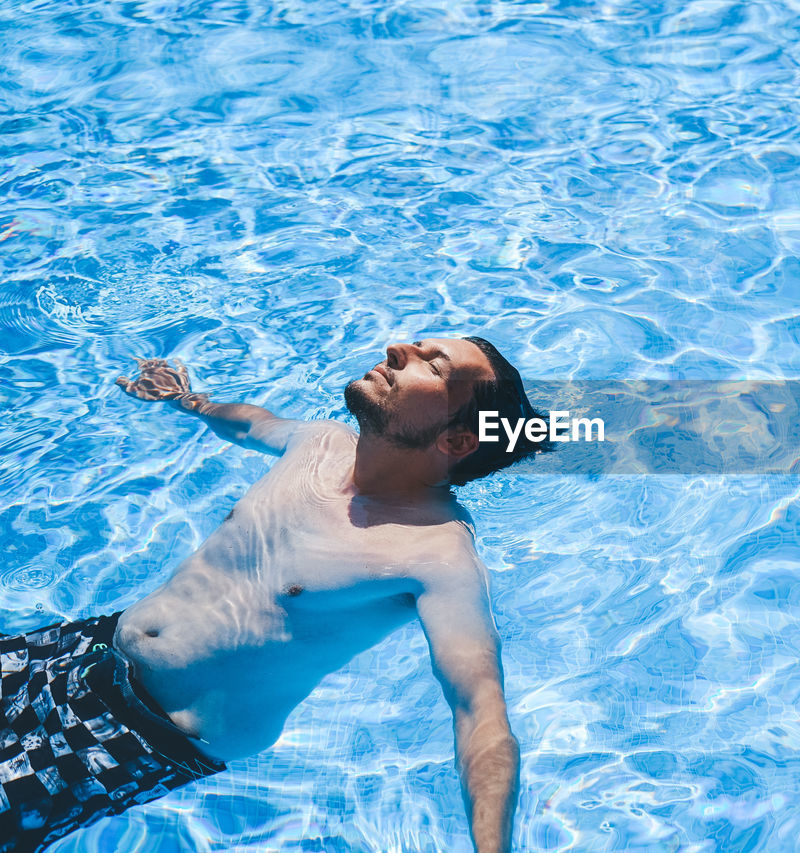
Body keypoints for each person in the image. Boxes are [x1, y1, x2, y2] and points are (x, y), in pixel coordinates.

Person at [0, 337, 548, 853]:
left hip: (140, 732)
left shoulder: (438, 556)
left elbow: (479, 710)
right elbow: (252, 424)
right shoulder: (322, 442)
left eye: (433, 366)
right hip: (87, 645)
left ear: (454, 441)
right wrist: (188, 400)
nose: (398, 349)